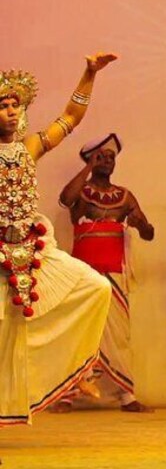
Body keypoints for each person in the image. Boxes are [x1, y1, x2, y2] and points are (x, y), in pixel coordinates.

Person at [0, 55, 116, 426]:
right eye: (2, 106)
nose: (10, 112)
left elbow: (70, 118)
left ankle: (76, 368)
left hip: (33, 250)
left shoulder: (31, 146)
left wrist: (89, 73)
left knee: (96, 287)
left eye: (15, 104)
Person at [54, 133, 155, 413]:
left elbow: (149, 233)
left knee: (120, 336)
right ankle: (67, 395)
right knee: (80, 333)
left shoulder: (125, 196)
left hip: (116, 274)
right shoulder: (82, 193)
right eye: (101, 156)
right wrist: (87, 167)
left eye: (111, 157)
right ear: (90, 159)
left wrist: (139, 226)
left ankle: (127, 396)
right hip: (85, 273)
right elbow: (64, 199)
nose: (108, 161)